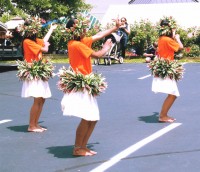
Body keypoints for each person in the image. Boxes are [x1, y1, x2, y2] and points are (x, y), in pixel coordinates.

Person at [61, 16, 120, 156]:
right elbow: (98, 55)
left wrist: (115, 27)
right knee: (88, 117)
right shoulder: (77, 44)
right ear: (74, 30)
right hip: (81, 84)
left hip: (86, 82)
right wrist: (106, 47)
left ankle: (83, 146)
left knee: (93, 117)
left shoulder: (80, 41)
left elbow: (99, 35)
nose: (85, 29)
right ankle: (77, 148)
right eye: (80, 26)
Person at [20, 18, 57, 132]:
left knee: (42, 99)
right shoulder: (27, 41)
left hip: (39, 71)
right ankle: (31, 125)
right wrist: (46, 45)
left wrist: (51, 29)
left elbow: (43, 41)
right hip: (33, 72)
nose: (37, 31)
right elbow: (44, 49)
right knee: (37, 99)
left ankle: (35, 124)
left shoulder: (35, 40)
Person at [152, 17, 183, 123]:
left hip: (164, 67)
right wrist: (177, 38)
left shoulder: (161, 38)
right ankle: (162, 116)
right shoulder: (168, 40)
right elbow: (180, 47)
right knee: (173, 94)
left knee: (173, 94)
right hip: (166, 68)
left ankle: (163, 115)